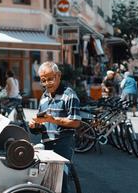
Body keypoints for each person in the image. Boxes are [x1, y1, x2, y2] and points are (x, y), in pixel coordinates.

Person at [28, 61, 81, 193]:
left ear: (59, 75)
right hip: (46, 144)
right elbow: (43, 124)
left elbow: (75, 122)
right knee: (45, 181)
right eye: (43, 80)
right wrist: (35, 126)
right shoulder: (44, 97)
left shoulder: (69, 95)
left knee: (60, 182)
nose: (47, 83)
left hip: (63, 143)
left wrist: (54, 120)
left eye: (50, 79)